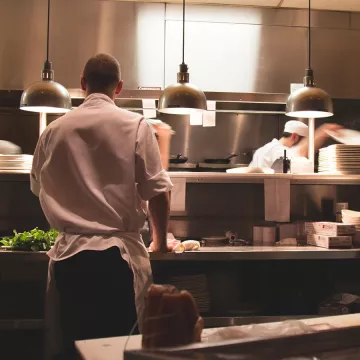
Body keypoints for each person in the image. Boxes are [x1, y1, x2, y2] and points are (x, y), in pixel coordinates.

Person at [30, 53, 173, 360]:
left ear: (82, 84)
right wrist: (159, 242)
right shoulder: (135, 125)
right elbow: (158, 191)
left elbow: (38, 187)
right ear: (118, 87)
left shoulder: (53, 130)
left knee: (75, 349)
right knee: (120, 351)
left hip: (70, 260)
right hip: (116, 261)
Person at [250, 120, 340, 168]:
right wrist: (323, 132)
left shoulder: (266, 148)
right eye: (305, 141)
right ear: (294, 137)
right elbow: (300, 152)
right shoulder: (278, 151)